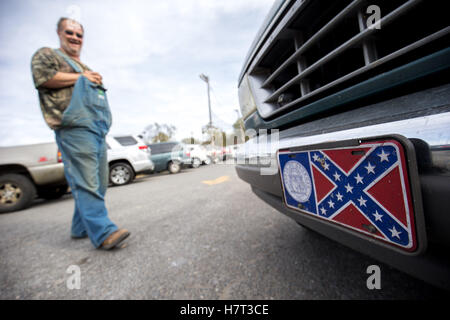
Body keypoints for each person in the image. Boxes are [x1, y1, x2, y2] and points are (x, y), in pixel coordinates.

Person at [31, 17, 130, 250]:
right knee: (85, 181)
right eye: (69, 32)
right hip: (73, 126)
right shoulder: (48, 55)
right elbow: (43, 78)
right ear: (59, 33)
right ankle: (104, 232)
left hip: (96, 128)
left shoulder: (85, 67)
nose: (75, 37)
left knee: (98, 183)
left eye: (79, 34)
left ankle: (80, 227)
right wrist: (80, 78)